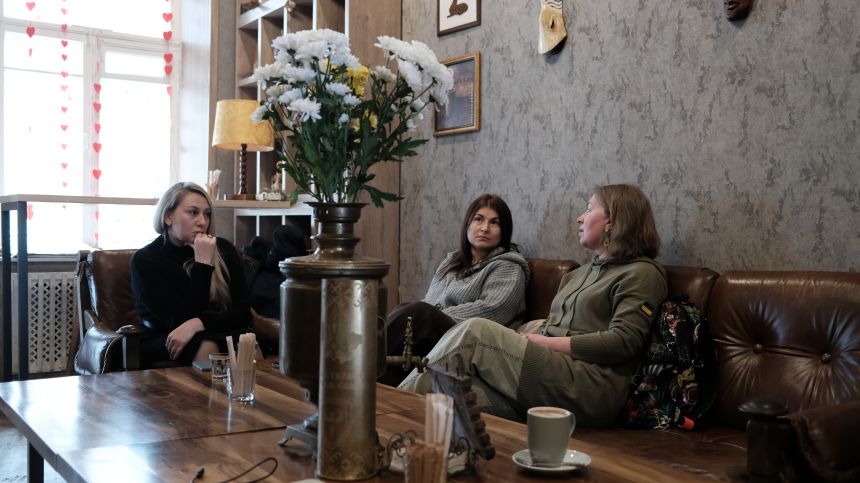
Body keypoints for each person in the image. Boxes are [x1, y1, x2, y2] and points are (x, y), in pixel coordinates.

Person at [398, 184, 668, 426]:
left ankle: (387, 411)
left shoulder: (641, 273)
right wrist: (528, 334)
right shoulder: (579, 274)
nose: (580, 217)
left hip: (590, 386)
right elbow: (554, 325)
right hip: (548, 379)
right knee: (441, 387)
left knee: (475, 332)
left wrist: (545, 342)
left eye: (589, 209)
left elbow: (624, 341)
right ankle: (389, 439)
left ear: (612, 220)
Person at [380, 194, 530, 386]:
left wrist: (434, 316)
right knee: (404, 324)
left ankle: (356, 360)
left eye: (495, 223)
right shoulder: (451, 262)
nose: (485, 228)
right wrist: (427, 315)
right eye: (479, 219)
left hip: (472, 337)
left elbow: (493, 311)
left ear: (504, 231)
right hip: (439, 334)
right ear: (467, 224)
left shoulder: (509, 266)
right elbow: (431, 299)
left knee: (419, 312)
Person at [131, 181, 252, 368]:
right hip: (166, 336)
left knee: (249, 344)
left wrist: (198, 323)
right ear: (168, 217)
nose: (202, 222)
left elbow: (242, 313)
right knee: (206, 346)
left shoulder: (224, 249)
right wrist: (203, 264)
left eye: (207, 214)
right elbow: (180, 320)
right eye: (193, 212)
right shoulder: (146, 260)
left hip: (214, 329)